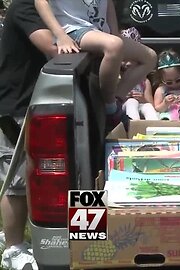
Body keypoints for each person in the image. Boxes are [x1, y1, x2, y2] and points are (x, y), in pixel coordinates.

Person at [34, 0, 157, 131]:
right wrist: (61, 36)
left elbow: (108, 3)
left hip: (100, 31)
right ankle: (110, 108)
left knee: (150, 57)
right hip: (73, 29)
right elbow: (40, 2)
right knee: (114, 45)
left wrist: (114, 32)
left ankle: (116, 100)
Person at [0, 0, 57, 269]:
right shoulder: (24, 7)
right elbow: (51, 46)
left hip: (32, 102)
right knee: (17, 181)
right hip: (15, 107)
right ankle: (13, 248)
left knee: (30, 177)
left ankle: (22, 240)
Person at [120, 27, 158, 120]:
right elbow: (112, 99)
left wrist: (142, 99)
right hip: (123, 108)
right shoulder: (118, 77)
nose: (128, 63)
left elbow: (150, 104)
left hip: (140, 106)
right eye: (124, 60)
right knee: (132, 102)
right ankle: (134, 127)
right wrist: (124, 96)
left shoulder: (144, 80)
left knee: (148, 107)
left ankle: (155, 127)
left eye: (132, 60)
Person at [153, 50, 180, 121]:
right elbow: (157, 109)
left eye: (178, 80)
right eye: (169, 82)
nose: (174, 84)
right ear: (161, 79)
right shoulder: (161, 90)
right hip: (167, 120)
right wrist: (165, 103)